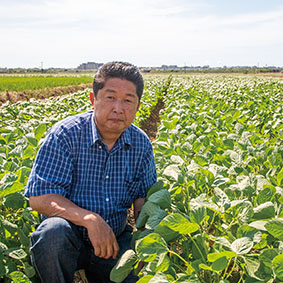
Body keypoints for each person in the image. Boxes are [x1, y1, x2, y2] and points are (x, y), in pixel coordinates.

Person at [24, 61, 157, 283]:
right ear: (93, 100)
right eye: (110, 97)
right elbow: (39, 198)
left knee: (137, 274)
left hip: (114, 242)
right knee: (52, 233)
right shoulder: (65, 135)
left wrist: (145, 241)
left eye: (127, 100)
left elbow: (142, 199)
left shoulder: (140, 143)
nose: (118, 108)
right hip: (69, 239)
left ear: (137, 106)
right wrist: (89, 220)